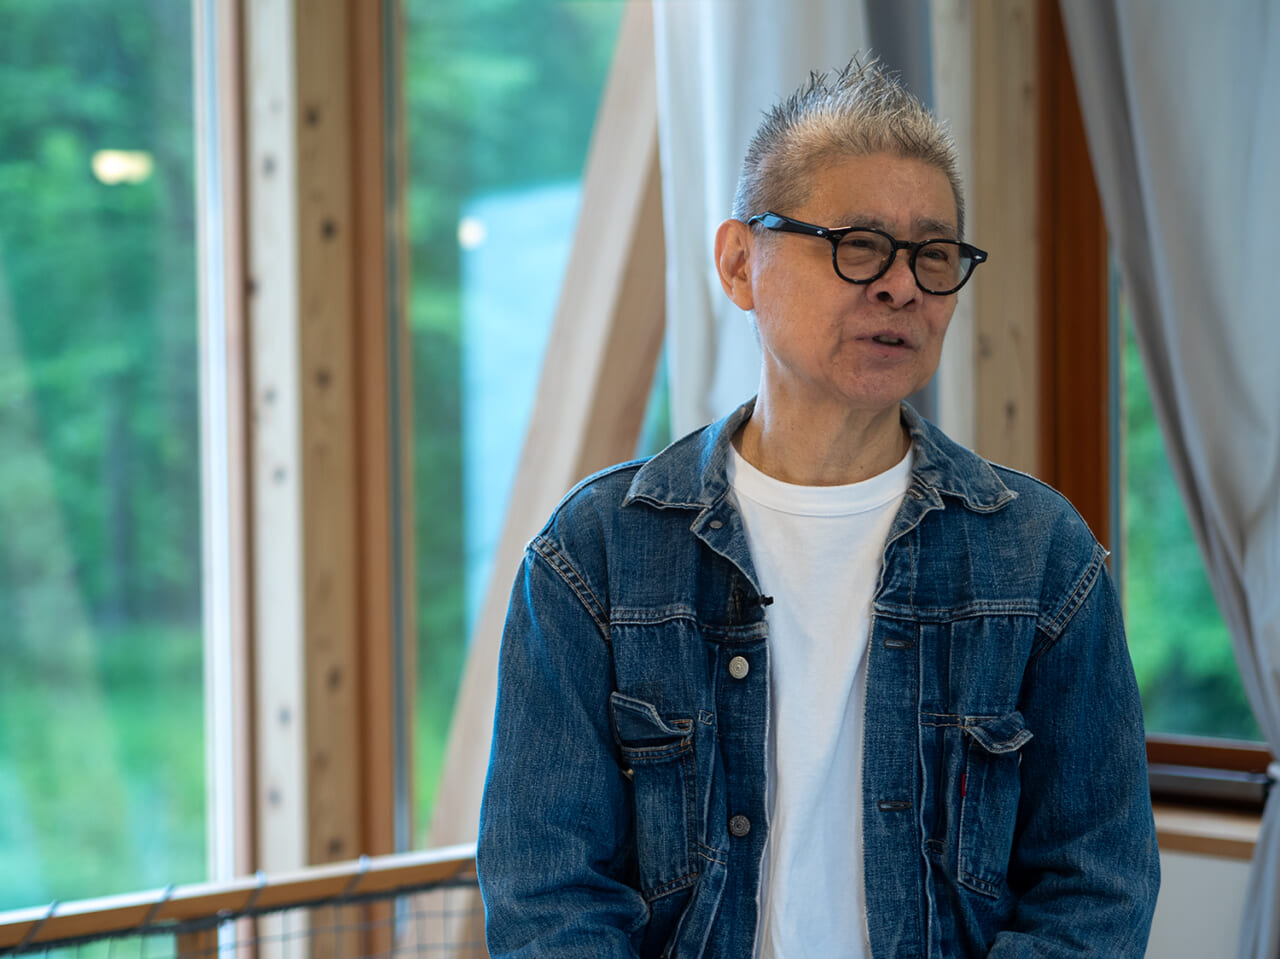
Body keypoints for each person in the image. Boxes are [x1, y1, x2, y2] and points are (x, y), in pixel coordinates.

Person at [476, 58, 1159, 958]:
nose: (902, 285)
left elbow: (1096, 889)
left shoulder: (1040, 556)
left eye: (933, 255)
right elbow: (546, 896)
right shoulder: (594, 554)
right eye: (859, 244)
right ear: (739, 263)